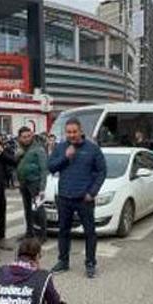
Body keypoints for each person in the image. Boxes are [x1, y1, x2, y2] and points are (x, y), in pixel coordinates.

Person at [48, 118, 107, 279]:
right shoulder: (61, 148)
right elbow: (51, 167)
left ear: (81, 131)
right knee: (63, 231)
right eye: (69, 132)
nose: (72, 135)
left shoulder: (93, 149)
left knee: (89, 232)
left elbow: (102, 172)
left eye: (74, 132)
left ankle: (90, 263)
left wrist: (92, 192)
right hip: (64, 197)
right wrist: (65, 157)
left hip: (84, 199)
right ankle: (63, 261)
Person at [17, 126, 49, 243]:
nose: (26, 139)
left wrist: (42, 187)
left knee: (39, 209)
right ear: (20, 138)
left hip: (35, 183)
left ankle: (43, 235)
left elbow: (44, 169)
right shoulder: (21, 150)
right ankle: (29, 232)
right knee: (27, 209)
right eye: (24, 137)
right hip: (24, 182)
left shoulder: (38, 149)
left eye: (28, 136)